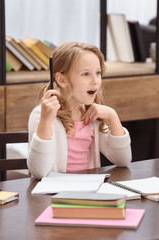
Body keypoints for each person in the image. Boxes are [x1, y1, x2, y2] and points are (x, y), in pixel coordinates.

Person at [27, 42, 132, 179]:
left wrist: (113, 116)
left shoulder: (90, 113)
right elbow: (39, 172)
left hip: (87, 192)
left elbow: (123, 160)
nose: (95, 81)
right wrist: (46, 121)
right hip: (54, 195)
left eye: (98, 73)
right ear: (61, 80)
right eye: (85, 74)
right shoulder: (41, 115)